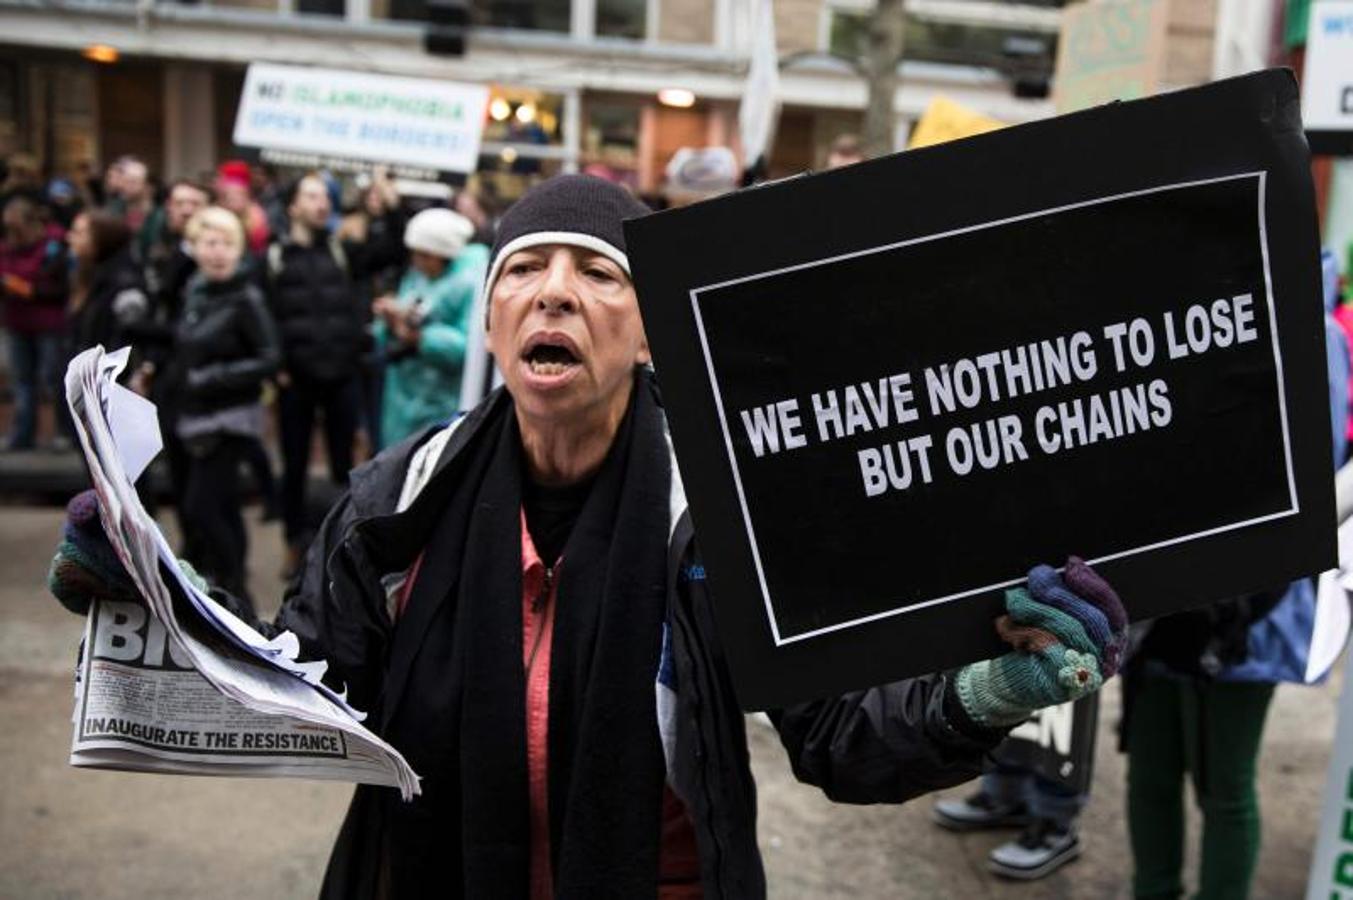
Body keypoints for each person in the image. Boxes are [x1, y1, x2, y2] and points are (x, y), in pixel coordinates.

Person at [49, 174, 1126, 899]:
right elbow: (311, 682)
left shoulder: (721, 512)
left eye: (597, 274)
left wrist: (992, 690)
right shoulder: (399, 495)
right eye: (522, 270)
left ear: (650, 324)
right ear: (493, 316)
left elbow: (840, 732)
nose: (552, 292)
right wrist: (160, 596)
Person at [1121, 248, 1350, 900]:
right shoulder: (1180, 306)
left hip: (1249, 607)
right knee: (1151, 773)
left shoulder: (1311, 326)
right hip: (1166, 599)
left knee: (1224, 787)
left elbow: (1308, 467)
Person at [264, 171, 405, 569]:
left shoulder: (344, 251)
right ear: (293, 206)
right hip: (296, 381)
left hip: (342, 376)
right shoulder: (274, 258)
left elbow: (393, 248)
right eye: (310, 196)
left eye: (324, 196)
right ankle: (296, 542)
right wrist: (276, 367)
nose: (321, 203)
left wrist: (388, 199)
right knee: (294, 465)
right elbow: (264, 318)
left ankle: (344, 542)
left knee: (347, 465)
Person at [164, 206, 280, 607]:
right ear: (194, 247)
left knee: (203, 505)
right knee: (220, 504)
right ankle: (232, 588)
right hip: (195, 414)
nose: (219, 252)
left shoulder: (246, 296)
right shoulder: (195, 289)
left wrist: (214, 377)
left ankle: (233, 588)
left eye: (228, 244)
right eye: (210, 243)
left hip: (230, 417)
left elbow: (269, 357)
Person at [372, 207, 487, 447]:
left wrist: (421, 338)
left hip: (443, 400)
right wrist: (391, 320)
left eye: (424, 255)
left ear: (443, 253)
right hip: (403, 396)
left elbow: (471, 345)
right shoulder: (419, 275)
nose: (416, 261)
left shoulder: (472, 284)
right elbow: (413, 306)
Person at [1, 195, 69, 450]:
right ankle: (21, 436)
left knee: (52, 381)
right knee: (22, 381)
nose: (12, 234)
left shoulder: (53, 246)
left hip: (49, 324)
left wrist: (25, 289)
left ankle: (62, 436)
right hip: (17, 322)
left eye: (16, 228)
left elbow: (60, 288)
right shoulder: (7, 246)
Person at [65, 209, 148, 357]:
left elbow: (125, 341)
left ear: (101, 238)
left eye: (79, 233)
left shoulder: (124, 283)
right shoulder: (90, 273)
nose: (70, 237)